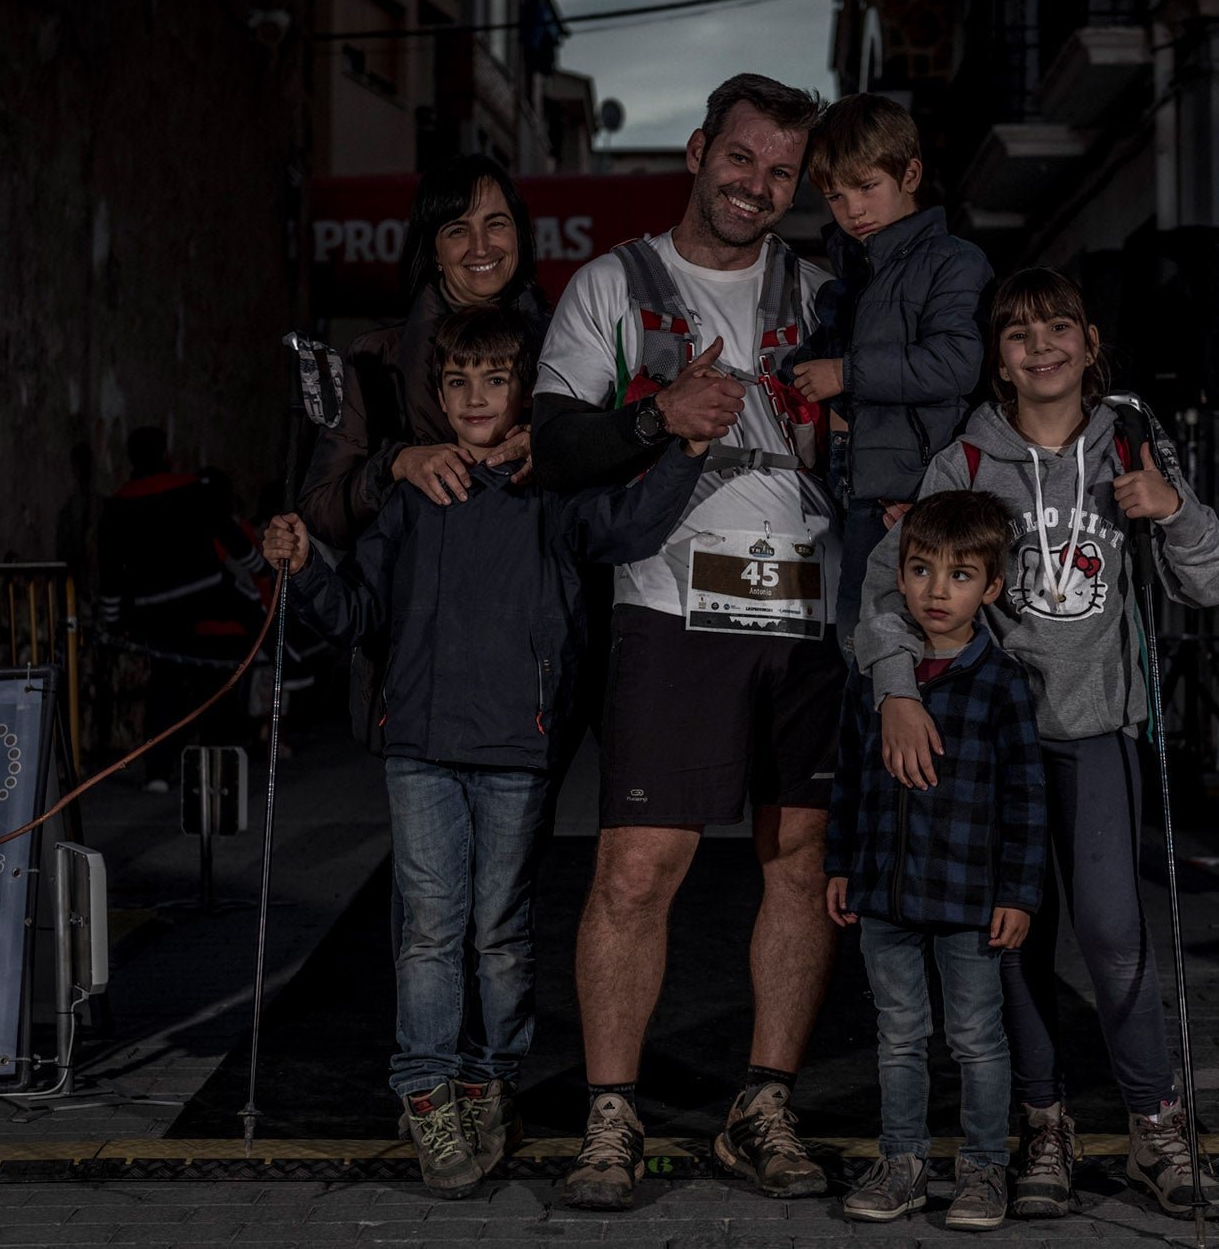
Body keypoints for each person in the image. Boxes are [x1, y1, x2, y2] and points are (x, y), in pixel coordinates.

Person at [262, 306, 710, 1198]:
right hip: (419, 746)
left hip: (517, 746)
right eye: (457, 381)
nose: (475, 397)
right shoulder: (411, 496)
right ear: (437, 394)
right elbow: (358, 618)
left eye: (494, 380)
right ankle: (428, 1091)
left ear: (525, 393)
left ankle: (491, 1080)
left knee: (500, 930)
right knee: (431, 929)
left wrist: (686, 457)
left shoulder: (551, 492)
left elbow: (625, 528)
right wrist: (306, 566)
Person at [854, 267, 1219, 1223]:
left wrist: (1172, 508)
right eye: (1019, 335)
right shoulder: (965, 465)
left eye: (1058, 329)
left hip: (1096, 732)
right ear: (1000, 358)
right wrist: (897, 689)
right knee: (1010, 937)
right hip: (991, 741)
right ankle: (1044, 1121)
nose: (1041, 348)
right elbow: (879, 595)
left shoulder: (1133, 447)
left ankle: (1156, 1123)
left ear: (1090, 341)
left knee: (1110, 930)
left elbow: (1212, 579)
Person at [530, 73, 841, 1211]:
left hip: (806, 610)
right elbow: (556, 445)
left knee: (796, 862)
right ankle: (609, 1117)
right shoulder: (613, 282)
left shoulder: (818, 293)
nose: (757, 186)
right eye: (742, 158)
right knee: (634, 869)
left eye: (780, 172)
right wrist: (657, 416)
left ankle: (761, 1107)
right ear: (699, 148)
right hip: (669, 606)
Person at [826, 490, 1047, 1233]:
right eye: (920, 570)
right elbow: (852, 779)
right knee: (898, 1033)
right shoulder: (876, 679)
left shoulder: (1002, 683)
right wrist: (840, 865)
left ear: (991, 587)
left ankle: (984, 1168)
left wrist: (1018, 892)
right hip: (885, 892)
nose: (935, 591)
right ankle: (903, 1164)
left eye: (959, 576)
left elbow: (1025, 799)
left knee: (977, 1038)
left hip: (969, 899)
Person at [777, 93, 992, 654]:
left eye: (867, 187)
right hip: (850, 490)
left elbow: (956, 364)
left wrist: (844, 373)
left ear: (911, 173)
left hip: (911, 495)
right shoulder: (855, 272)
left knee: (894, 649)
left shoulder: (953, 260)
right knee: (857, 645)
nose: (853, 211)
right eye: (836, 197)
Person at [298, 152, 546, 550]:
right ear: (433, 250)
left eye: (496, 223)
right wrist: (397, 463)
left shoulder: (569, 345)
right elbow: (321, 511)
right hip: (413, 603)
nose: (481, 247)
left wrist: (555, 448)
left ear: (519, 233)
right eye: (457, 230)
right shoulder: (373, 360)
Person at [96, 427, 269, 791]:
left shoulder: (116, 505)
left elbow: (110, 570)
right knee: (218, 679)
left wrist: (111, 622)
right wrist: (261, 567)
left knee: (165, 684)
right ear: (165, 453)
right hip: (206, 595)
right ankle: (217, 769)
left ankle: (158, 771)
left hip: (155, 609)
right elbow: (228, 534)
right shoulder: (193, 488)